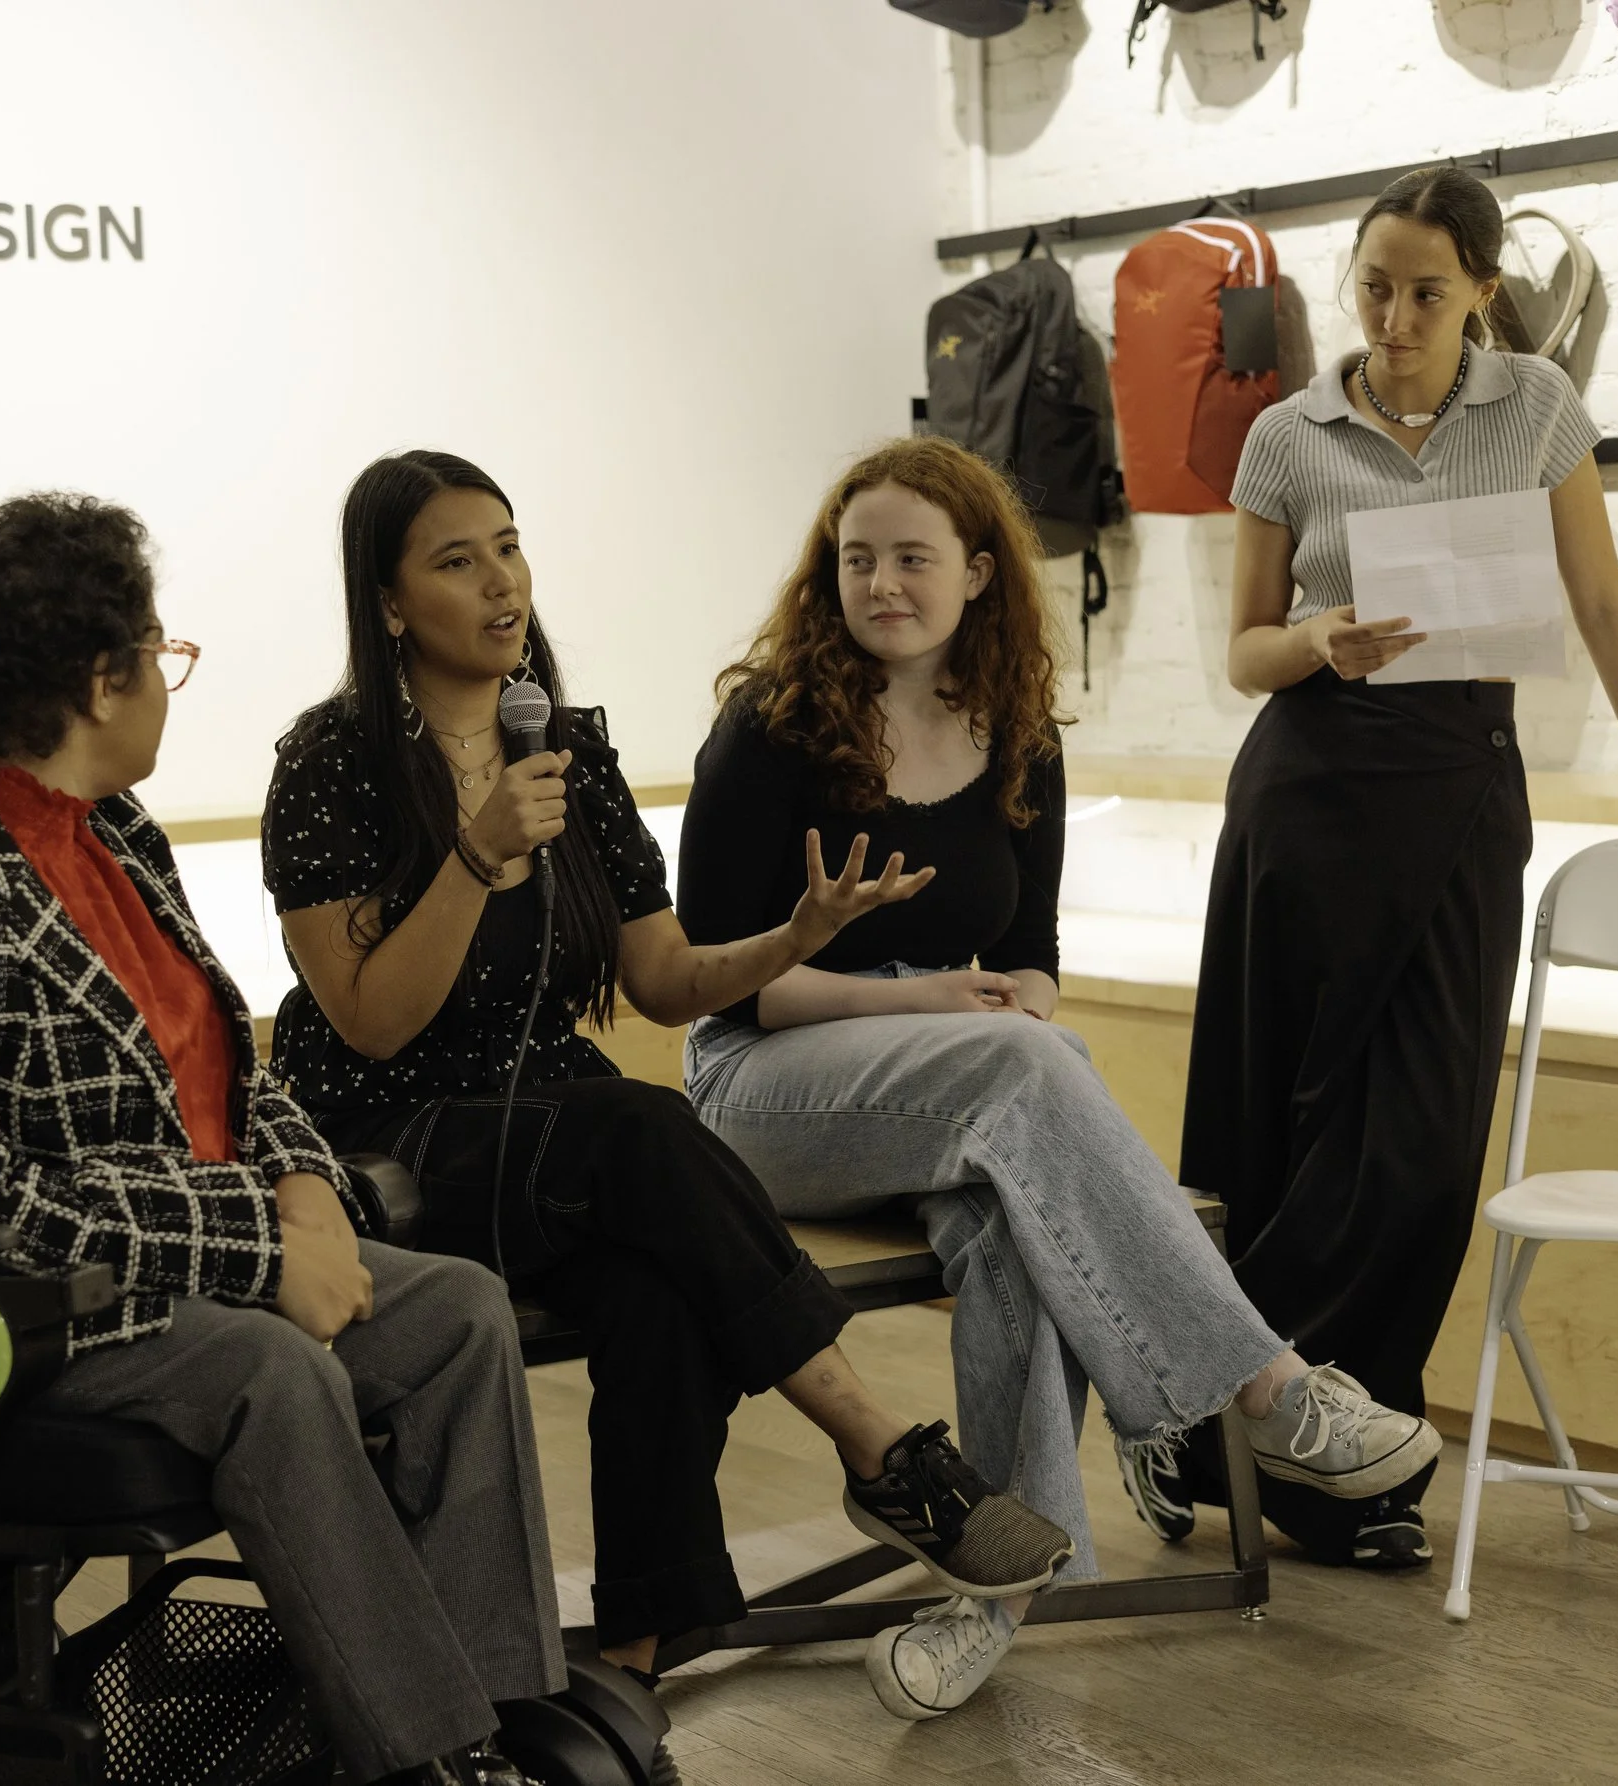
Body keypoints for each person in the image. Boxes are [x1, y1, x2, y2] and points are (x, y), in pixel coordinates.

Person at [0, 493, 565, 1786]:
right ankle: (432, 1759)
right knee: (270, 1373)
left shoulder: (110, 828)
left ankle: (496, 1711)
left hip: (141, 1260)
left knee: (459, 1314)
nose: (173, 684)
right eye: (161, 657)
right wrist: (257, 1249)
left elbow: (219, 1058)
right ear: (97, 679)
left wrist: (302, 1184)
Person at [261, 449, 1073, 1710]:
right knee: (641, 1128)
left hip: (551, 1127)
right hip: (383, 1141)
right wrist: (472, 861)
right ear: (385, 601)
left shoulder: (564, 748)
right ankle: (879, 1443)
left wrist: (795, 938)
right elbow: (364, 1025)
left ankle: (634, 1661)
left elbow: (665, 979)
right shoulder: (330, 762)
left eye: (509, 546)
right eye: (455, 559)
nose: (500, 583)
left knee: (657, 1289)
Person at [678, 434, 1448, 1721]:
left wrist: (1006, 1002)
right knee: (1023, 1066)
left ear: (978, 573)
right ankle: (1267, 1387)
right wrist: (938, 998)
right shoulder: (768, 728)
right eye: (855, 558)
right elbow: (719, 978)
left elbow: (1030, 964)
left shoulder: (1018, 731)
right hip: (762, 1080)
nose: (880, 583)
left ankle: (995, 1588)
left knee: (1008, 1217)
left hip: (955, 1080)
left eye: (911, 559)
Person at [1170, 165, 1618, 1568]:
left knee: (1418, 1150)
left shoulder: (1534, 411)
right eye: (1376, 289)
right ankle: (1333, 1483)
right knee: (1279, 1144)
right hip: (1306, 797)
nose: (1395, 318)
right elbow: (1244, 652)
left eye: (1427, 292)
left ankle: (1212, 1403)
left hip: (1463, 794)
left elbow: (1602, 601)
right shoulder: (1287, 431)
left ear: (1482, 291)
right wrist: (1321, 638)